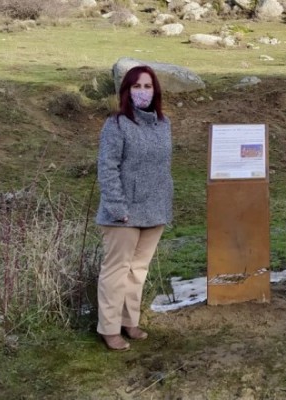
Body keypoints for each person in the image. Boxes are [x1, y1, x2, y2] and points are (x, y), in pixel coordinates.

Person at [95, 65, 174, 350]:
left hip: (154, 211)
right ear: (126, 91)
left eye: (148, 86)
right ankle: (109, 328)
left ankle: (130, 322)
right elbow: (107, 167)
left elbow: (163, 168)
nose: (143, 92)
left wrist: (165, 205)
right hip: (123, 213)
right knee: (116, 272)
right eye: (137, 87)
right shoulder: (116, 124)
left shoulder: (164, 124)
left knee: (137, 271)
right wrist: (117, 206)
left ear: (156, 90)